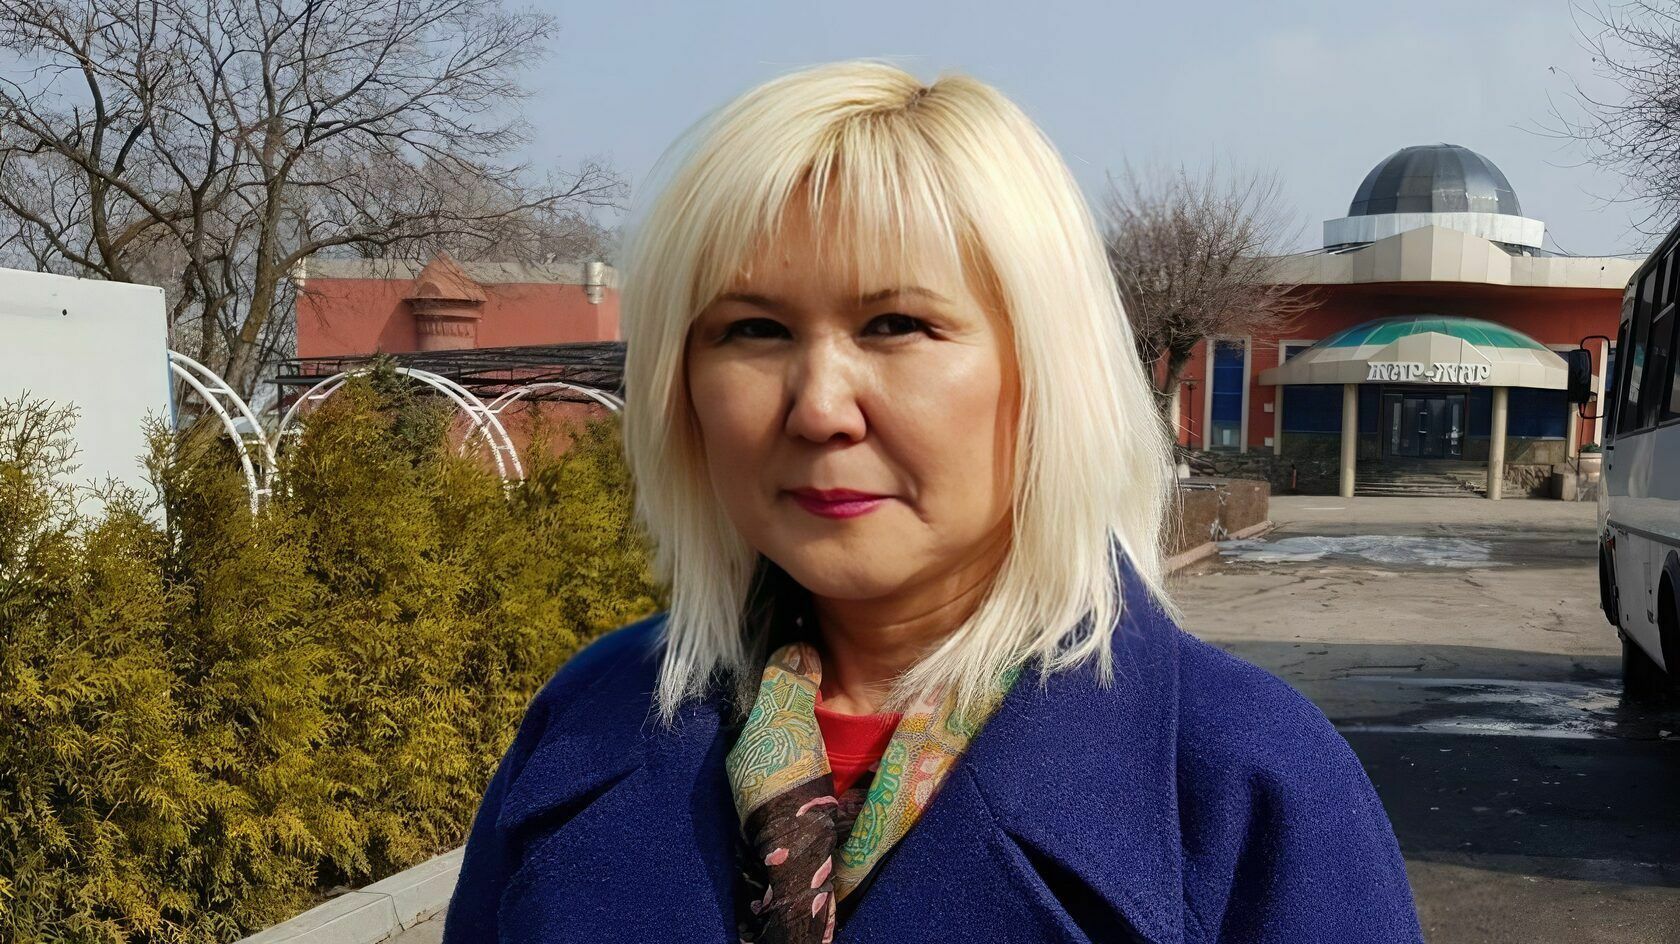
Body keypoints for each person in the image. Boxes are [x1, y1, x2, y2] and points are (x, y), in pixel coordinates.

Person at [442, 59, 1424, 943]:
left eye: (897, 323)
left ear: (1047, 370)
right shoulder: (587, 722)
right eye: (753, 330)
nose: (819, 407)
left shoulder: (1244, 782)